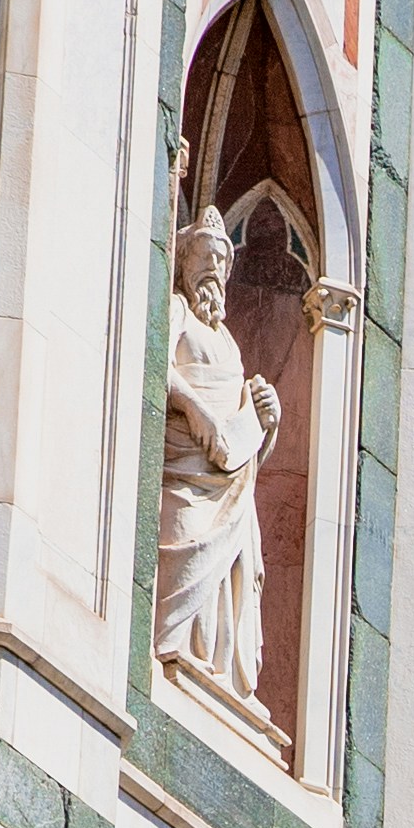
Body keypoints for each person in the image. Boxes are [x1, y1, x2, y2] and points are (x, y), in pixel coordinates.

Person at [154, 204, 280, 723]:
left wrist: (266, 419)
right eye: (203, 259)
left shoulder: (228, 341)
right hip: (184, 466)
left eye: (220, 263)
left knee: (225, 578)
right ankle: (171, 648)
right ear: (184, 264)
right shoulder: (178, 313)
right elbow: (156, 367)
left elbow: (243, 441)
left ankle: (210, 665)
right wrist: (194, 407)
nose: (212, 271)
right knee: (183, 547)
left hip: (229, 482)